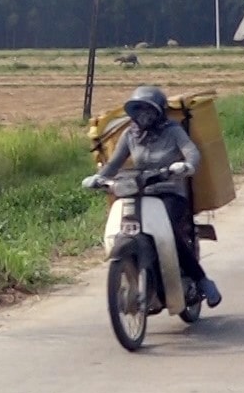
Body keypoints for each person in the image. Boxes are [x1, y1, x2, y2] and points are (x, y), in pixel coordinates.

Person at [83, 85, 221, 308]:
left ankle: (202, 280)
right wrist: (98, 178)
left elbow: (191, 152)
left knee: (169, 233)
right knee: (124, 228)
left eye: (148, 110)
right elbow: (114, 164)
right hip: (140, 191)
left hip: (170, 192)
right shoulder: (130, 134)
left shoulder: (173, 131)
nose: (143, 115)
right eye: (137, 110)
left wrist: (185, 166)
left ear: (159, 112)